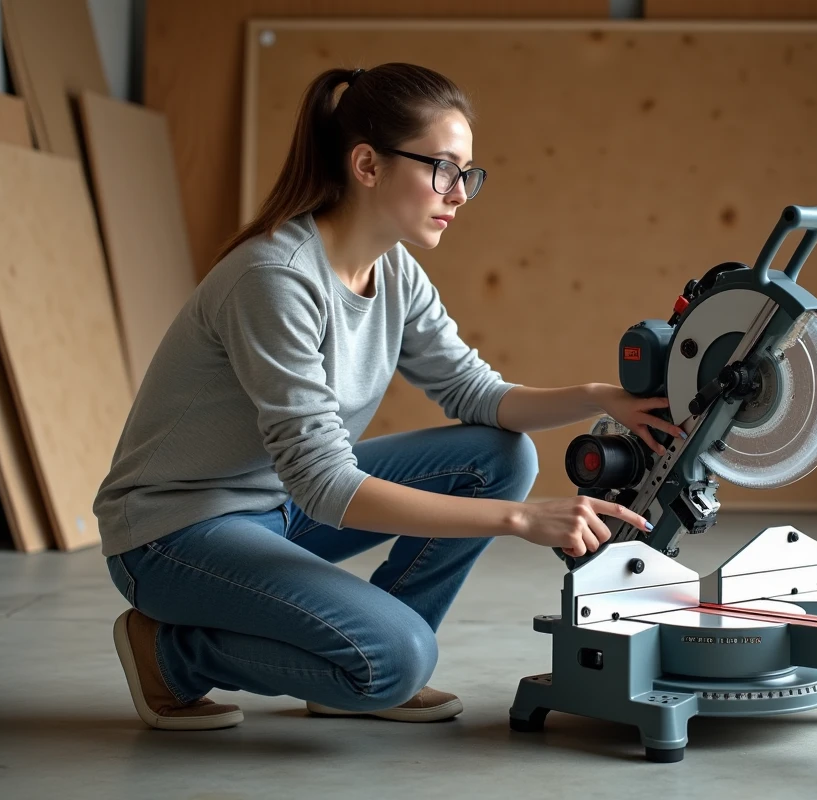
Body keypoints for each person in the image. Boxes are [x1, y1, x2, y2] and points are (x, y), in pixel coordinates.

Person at [93, 62, 687, 732]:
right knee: (397, 660)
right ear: (368, 165)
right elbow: (324, 483)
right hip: (176, 534)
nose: (460, 194)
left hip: (277, 506)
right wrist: (518, 521)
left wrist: (599, 396)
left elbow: (476, 393)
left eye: (468, 173)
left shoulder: (395, 269)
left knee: (500, 457)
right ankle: (173, 655)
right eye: (442, 168)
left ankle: (356, 669)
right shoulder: (276, 280)